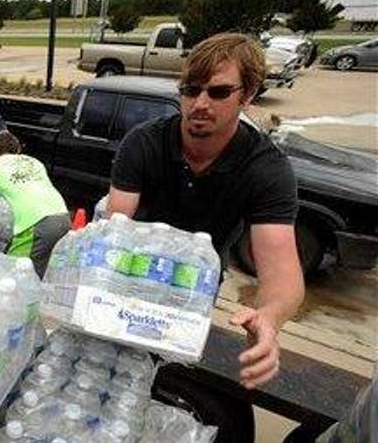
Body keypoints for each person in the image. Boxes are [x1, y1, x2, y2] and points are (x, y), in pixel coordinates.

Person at [106, 32, 304, 390]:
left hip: (194, 285)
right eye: (190, 89)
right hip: (133, 274)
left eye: (218, 92)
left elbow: (282, 269)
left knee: (169, 374)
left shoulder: (266, 168)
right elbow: (116, 229)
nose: (199, 103)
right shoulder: (144, 142)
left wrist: (270, 317)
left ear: (249, 93)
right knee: (113, 369)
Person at [0, 131, 70, 277]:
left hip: (37, 226)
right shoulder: (34, 162)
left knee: (12, 277)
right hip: (64, 218)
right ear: (18, 150)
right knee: (39, 276)